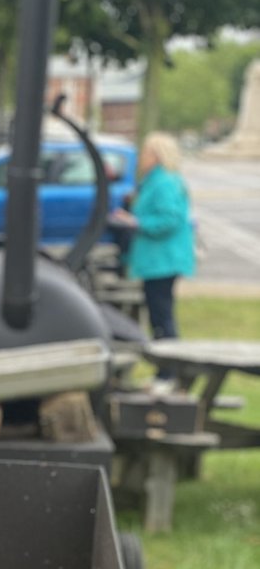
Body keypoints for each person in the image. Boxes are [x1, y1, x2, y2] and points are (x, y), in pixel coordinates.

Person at [108, 132, 195, 382]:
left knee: (162, 317)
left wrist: (135, 222)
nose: (141, 158)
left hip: (163, 260)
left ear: (156, 155)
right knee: (159, 315)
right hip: (158, 260)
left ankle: (169, 373)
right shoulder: (156, 180)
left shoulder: (164, 182)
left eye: (145, 153)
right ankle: (167, 370)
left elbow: (169, 219)